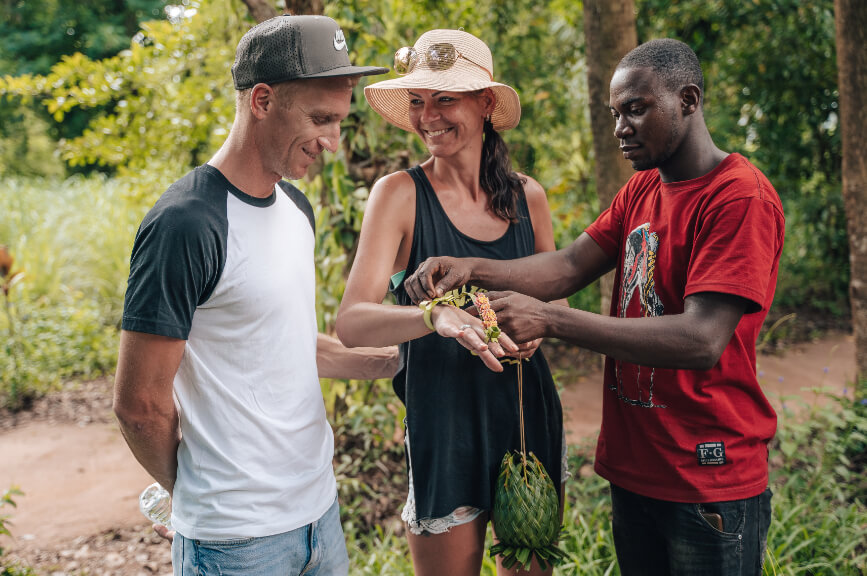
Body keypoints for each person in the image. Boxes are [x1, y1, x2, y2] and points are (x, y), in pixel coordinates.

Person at [404, 38, 785, 576]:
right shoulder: (641, 190)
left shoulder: (738, 198)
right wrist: (471, 266)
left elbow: (703, 339)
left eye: (636, 109)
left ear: (689, 100)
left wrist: (553, 319)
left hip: (707, 479)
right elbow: (566, 267)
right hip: (638, 469)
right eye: (614, 113)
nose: (621, 128)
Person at [113, 15, 395, 576]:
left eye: (339, 122)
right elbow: (139, 404)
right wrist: (199, 492)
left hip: (319, 516)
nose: (333, 143)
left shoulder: (295, 209)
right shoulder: (185, 224)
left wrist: (408, 356)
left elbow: (282, 343)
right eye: (320, 119)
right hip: (235, 544)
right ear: (261, 100)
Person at [335, 29, 567, 576]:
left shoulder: (528, 196)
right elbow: (352, 321)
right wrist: (433, 315)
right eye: (417, 101)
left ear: (486, 104)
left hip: (524, 410)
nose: (427, 116)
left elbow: (549, 291)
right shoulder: (398, 195)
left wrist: (538, 328)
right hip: (443, 417)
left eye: (445, 99)